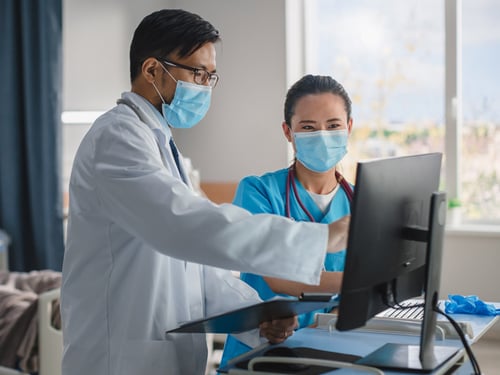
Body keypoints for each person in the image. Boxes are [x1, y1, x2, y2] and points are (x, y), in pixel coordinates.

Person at [60, 10, 350, 375]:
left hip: (166, 358)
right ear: (151, 70)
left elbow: (194, 270)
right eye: (197, 73)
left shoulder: (162, 146)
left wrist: (258, 315)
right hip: (117, 361)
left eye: (211, 76)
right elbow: (185, 225)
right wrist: (323, 237)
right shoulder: (116, 139)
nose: (205, 85)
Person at [220, 74, 354, 367]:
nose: (322, 135)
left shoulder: (361, 202)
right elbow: (279, 277)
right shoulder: (258, 191)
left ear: (349, 127)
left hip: (331, 351)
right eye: (308, 127)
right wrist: (366, 284)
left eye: (333, 126)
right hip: (260, 354)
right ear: (288, 132)